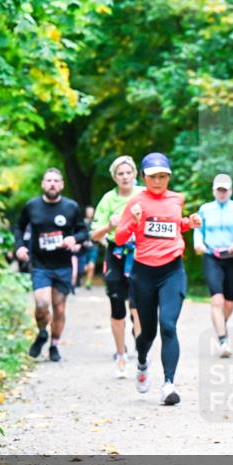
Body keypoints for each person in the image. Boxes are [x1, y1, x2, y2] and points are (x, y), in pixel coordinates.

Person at [114, 152, 201, 406]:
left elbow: (173, 224)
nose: (158, 181)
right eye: (153, 177)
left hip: (172, 270)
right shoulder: (135, 203)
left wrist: (189, 222)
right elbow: (119, 237)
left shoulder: (177, 199)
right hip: (144, 273)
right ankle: (141, 360)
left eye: (163, 176)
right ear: (144, 177)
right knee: (148, 332)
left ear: (168, 177)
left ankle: (168, 384)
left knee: (169, 326)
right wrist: (135, 222)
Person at [14, 167, 89, 362]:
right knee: (41, 304)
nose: (52, 184)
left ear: (62, 185)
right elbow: (19, 227)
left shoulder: (71, 207)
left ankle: (54, 346)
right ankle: (42, 333)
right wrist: (20, 247)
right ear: (43, 184)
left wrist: (74, 239)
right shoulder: (32, 206)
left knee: (60, 309)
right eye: (49, 180)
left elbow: (83, 232)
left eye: (56, 181)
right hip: (40, 265)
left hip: (63, 265)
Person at [92, 156, 144, 378]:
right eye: (120, 174)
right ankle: (121, 354)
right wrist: (109, 225)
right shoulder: (108, 199)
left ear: (134, 174)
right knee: (117, 306)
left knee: (138, 306)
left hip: (140, 252)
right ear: (114, 177)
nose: (125, 177)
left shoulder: (143, 194)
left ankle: (141, 352)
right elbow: (94, 234)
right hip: (115, 252)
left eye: (128, 172)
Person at [194, 174, 233, 358]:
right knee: (217, 300)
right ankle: (223, 340)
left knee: (228, 304)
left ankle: (221, 325)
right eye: (219, 190)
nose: (222, 193)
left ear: (231, 191)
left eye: (225, 190)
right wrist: (198, 243)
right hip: (212, 256)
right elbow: (198, 229)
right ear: (213, 190)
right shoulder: (205, 209)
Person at [75, 206, 98, 289]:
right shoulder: (82, 222)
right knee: (82, 267)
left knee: (92, 265)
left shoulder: (96, 222)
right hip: (83, 248)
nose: (90, 213)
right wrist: (82, 242)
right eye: (88, 211)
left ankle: (88, 283)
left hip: (93, 247)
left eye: (91, 211)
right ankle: (78, 279)